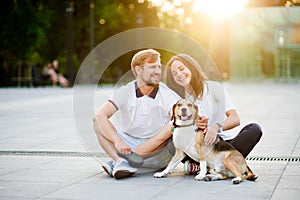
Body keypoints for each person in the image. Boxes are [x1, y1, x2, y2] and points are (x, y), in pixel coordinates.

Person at [164, 54, 263, 175]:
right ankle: (215, 167)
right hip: (199, 146)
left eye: (181, 68)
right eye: (174, 73)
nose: (179, 74)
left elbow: (235, 118)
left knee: (254, 129)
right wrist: (194, 126)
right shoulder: (179, 100)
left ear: (191, 67)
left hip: (224, 144)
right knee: (170, 142)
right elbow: (174, 126)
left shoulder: (214, 88)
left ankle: (212, 166)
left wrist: (215, 127)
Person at [93, 49, 180, 179]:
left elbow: (181, 118)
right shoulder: (125, 91)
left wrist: (136, 152)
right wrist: (118, 142)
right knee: (97, 120)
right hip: (128, 146)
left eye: (158, 66)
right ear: (138, 70)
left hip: (157, 154)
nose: (157, 71)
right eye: (152, 67)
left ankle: (121, 161)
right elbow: (100, 115)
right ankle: (121, 161)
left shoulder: (167, 94)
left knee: (174, 124)